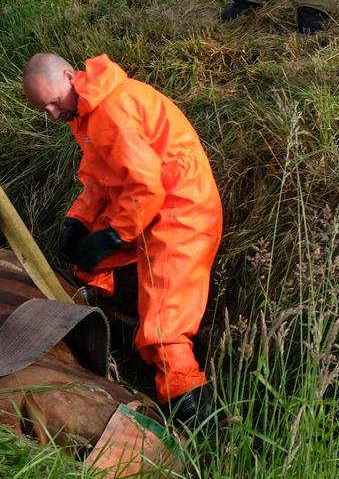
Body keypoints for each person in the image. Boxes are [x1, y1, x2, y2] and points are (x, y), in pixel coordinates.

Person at [22, 52, 223, 424]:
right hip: (151, 206)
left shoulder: (112, 111)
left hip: (181, 214)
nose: (52, 114)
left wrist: (112, 236)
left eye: (52, 102)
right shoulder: (87, 111)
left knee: (164, 332)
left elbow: (147, 189)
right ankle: (100, 323)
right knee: (88, 263)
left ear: (69, 76)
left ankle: (195, 422)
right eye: (43, 109)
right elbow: (102, 179)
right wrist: (79, 223)